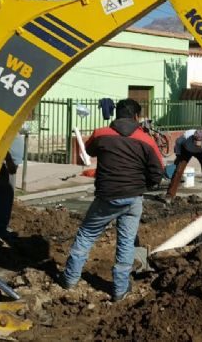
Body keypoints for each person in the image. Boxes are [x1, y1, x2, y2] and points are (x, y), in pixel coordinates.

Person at [60, 99, 163, 300]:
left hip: (107, 197)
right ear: (137, 117)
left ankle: (70, 279)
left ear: (117, 115)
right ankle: (119, 290)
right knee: (126, 244)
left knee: (86, 235)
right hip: (133, 199)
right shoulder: (146, 140)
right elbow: (157, 171)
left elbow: (88, 151)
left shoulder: (101, 134)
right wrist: (145, 185)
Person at [165, 129, 202, 205]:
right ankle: (170, 195)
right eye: (195, 142)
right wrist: (178, 155)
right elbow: (177, 142)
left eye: (199, 143)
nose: (196, 145)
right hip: (186, 150)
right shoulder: (186, 136)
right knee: (178, 170)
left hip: (201, 152)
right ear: (192, 138)